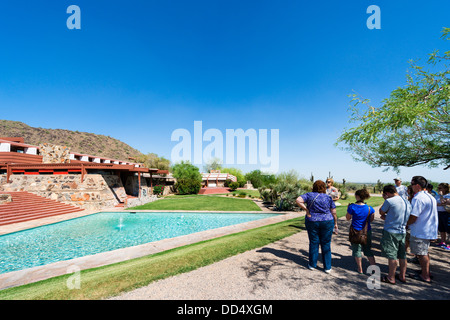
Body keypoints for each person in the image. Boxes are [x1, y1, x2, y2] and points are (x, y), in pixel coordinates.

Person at [296, 180, 337, 273]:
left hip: (312, 221)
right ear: (323, 187)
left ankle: (312, 264)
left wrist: (306, 209)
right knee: (326, 243)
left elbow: (298, 200)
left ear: (314, 187)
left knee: (314, 242)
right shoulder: (328, 197)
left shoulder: (309, 195)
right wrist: (335, 223)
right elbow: (333, 212)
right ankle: (327, 267)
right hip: (327, 221)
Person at [407, 176, 438, 284]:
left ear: (418, 186)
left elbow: (414, 216)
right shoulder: (430, 197)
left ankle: (425, 276)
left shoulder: (418, 198)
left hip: (420, 230)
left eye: (412, 184)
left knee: (421, 254)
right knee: (424, 252)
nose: (411, 186)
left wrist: (406, 224)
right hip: (428, 229)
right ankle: (426, 272)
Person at [379, 185, 411, 284]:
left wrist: (385, 200)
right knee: (402, 255)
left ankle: (391, 277)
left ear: (387, 193)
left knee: (392, 255)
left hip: (391, 231)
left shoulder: (390, 201)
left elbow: (381, 211)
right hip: (402, 231)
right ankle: (402, 275)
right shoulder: (406, 201)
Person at [346, 189, 376, 274]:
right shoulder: (370, 208)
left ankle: (360, 269)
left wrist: (348, 209)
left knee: (356, 250)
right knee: (368, 250)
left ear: (358, 196)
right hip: (367, 231)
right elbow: (371, 219)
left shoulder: (352, 207)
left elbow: (348, 218)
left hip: (355, 231)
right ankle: (374, 269)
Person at [436, 183, 450, 250]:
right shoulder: (437, 196)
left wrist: (441, 197)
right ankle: (443, 241)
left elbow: (445, 202)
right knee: (441, 228)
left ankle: (449, 244)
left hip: (446, 213)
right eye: (438, 188)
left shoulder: (448, 195)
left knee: (448, 229)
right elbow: (436, 203)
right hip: (439, 213)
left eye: (440, 188)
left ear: (445, 188)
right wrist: (441, 203)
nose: (439, 189)